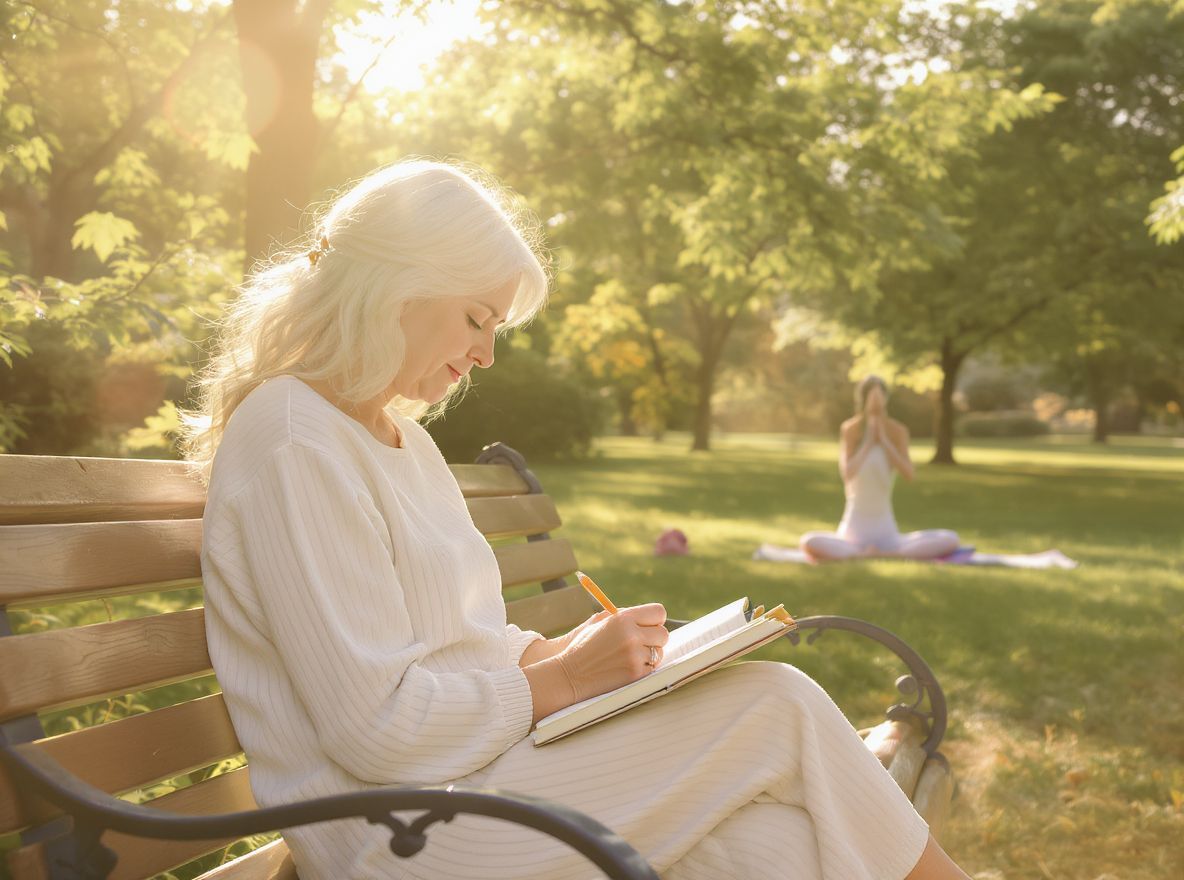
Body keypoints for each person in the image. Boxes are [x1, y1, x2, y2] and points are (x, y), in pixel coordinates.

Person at [183, 160, 971, 879]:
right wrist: (565, 680)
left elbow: (464, 644)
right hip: (399, 838)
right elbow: (376, 730)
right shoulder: (293, 438)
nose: (486, 355)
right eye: (476, 319)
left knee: (784, 850)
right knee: (777, 704)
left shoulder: (402, 442)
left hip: (474, 783)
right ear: (399, 285)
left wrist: (571, 653)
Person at [800, 376, 961, 562]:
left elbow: (909, 474)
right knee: (808, 541)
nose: (876, 403)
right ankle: (863, 554)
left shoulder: (897, 431)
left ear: (886, 399)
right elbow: (847, 473)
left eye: (880, 396)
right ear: (863, 398)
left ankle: (884, 554)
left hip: (886, 533)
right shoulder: (850, 429)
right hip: (853, 532)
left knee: (950, 538)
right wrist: (868, 442)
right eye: (871, 396)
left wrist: (884, 440)